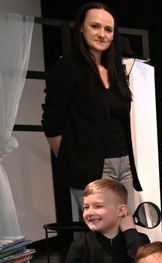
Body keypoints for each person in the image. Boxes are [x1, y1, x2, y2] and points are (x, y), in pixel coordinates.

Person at [41, 2, 141, 215]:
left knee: (127, 227)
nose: (102, 34)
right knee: (103, 229)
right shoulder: (67, 68)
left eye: (108, 29)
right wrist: (75, 161)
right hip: (92, 167)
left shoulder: (115, 70)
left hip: (124, 163)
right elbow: (52, 123)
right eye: (95, 26)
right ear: (81, 28)